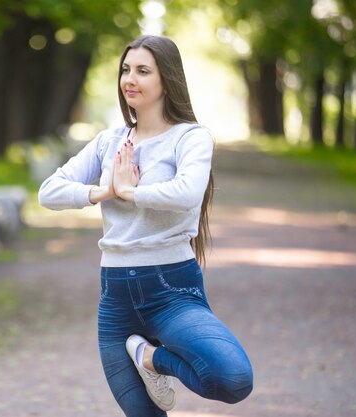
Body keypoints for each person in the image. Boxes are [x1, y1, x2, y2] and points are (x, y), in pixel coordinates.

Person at [38, 35, 253, 417]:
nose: (129, 79)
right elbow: (49, 191)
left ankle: (150, 358)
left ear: (166, 80)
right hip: (116, 298)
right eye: (125, 70)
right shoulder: (109, 142)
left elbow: (188, 193)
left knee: (232, 378)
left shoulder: (190, 137)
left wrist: (133, 192)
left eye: (142, 71)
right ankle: (142, 355)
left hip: (172, 292)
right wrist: (105, 192)